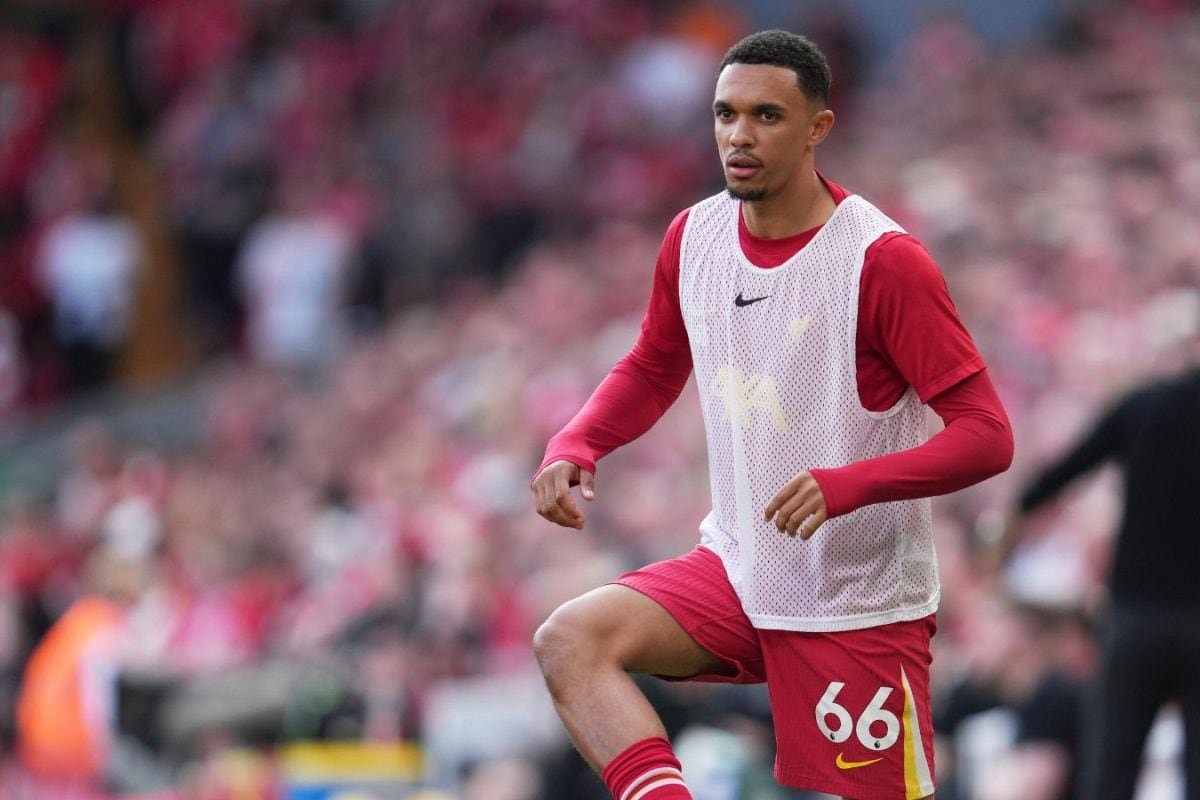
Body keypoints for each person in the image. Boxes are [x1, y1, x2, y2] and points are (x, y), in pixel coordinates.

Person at [530, 30, 1013, 800]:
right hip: (740, 569)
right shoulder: (693, 236)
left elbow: (988, 435)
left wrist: (845, 485)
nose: (738, 136)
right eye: (725, 115)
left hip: (858, 601)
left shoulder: (882, 262)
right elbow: (655, 363)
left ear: (819, 128)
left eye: (765, 116)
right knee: (572, 641)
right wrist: (578, 439)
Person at [1003, 360, 1200, 800]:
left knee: (1112, 770)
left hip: (1135, 618)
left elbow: (1070, 467)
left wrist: (1015, 514)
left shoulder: (1147, 404)